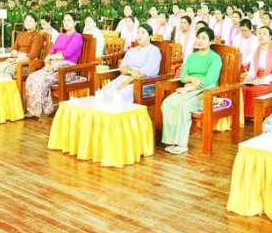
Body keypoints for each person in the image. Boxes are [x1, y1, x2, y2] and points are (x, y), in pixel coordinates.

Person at [161, 27, 222, 155]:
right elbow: (183, 77)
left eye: (204, 38)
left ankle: (182, 144)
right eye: (198, 37)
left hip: (206, 92)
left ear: (211, 41)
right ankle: (172, 140)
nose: (200, 40)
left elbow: (210, 80)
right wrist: (191, 80)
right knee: (167, 103)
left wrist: (191, 88)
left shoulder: (215, 58)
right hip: (187, 88)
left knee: (184, 106)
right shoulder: (191, 57)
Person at [24, 13, 83, 118]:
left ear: (75, 23)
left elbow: (66, 54)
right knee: (32, 77)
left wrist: (51, 58)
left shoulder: (77, 37)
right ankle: (34, 110)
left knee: (43, 79)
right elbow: (51, 52)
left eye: (69, 20)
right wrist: (47, 63)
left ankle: (45, 109)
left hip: (67, 69)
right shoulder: (60, 36)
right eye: (64, 20)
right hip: (53, 66)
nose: (66, 23)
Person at [95, 24, 161, 104]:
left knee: (118, 96)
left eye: (143, 33)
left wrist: (123, 84)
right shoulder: (131, 50)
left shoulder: (154, 51)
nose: (139, 35)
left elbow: (142, 74)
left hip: (143, 83)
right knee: (103, 93)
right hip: (125, 77)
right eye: (138, 32)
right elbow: (122, 68)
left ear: (150, 36)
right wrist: (130, 72)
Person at [0, 13, 45, 79]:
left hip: (26, 64)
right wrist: (16, 55)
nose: (27, 23)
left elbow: (32, 55)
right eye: (26, 20)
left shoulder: (37, 36)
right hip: (16, 60)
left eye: (30, 21)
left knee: (5, 70)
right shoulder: (20, 35)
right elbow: (14, 50)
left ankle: (9, 85)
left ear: (36, 23)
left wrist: (18, 56)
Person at [242, 26, 272, 117]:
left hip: (271, 80)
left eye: (264, 34)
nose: (261, 36)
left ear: (270, 37)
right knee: (243, 88)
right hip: (257, 78)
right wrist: (248, 79)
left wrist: (262, 80)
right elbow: (252, 71)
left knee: (256, 90)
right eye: (259, 33)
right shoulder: (256, 50)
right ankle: (245, 116)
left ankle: (260, 116)